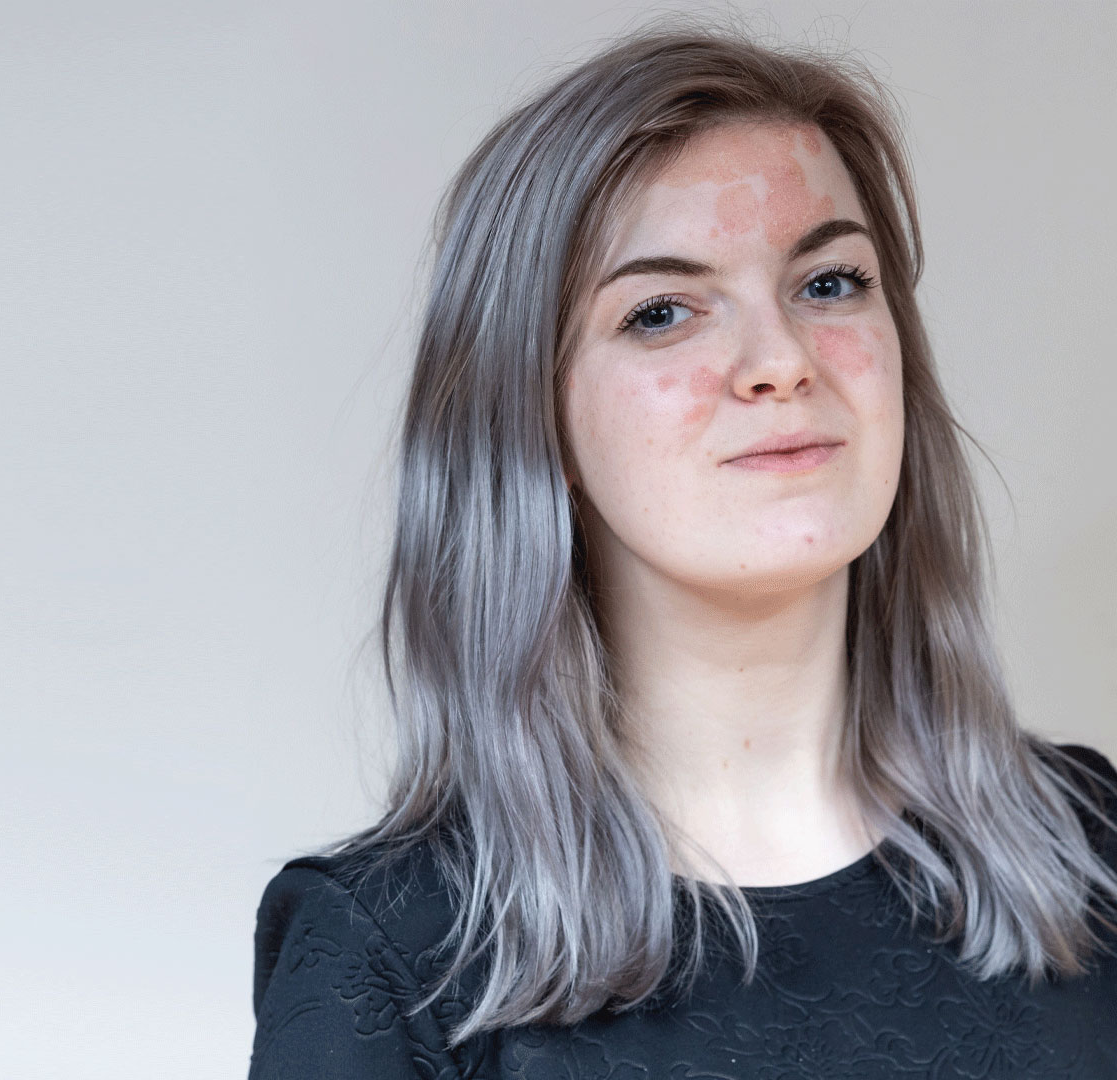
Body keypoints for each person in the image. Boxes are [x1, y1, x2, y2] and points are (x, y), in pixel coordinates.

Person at [247, 19, 1117, 1080]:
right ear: (536, 419)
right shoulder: (394, 957)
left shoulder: (1093, 851)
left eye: (830, 282)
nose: (780, 360)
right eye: (663, 312)